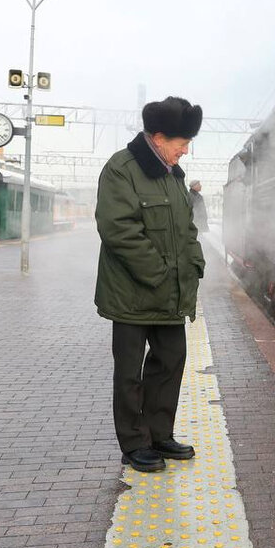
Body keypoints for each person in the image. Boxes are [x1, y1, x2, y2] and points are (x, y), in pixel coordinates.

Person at [95, 96, 206, 472]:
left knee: (171, 361)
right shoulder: (121, 169)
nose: (185, 151)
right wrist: (160, 272)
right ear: (159, 138)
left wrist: (195, 262)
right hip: (131, 295)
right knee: (130, 371)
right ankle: (134, 442)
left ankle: (160, 434)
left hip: (170, 294)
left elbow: (187, 229)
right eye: (181, 143)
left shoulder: (175, 179)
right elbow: (117, 229)